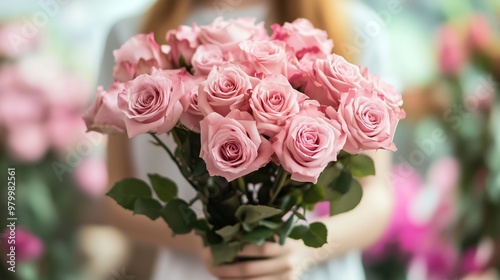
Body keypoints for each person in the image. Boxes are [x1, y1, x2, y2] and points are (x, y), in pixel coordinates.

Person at [101, 0, 396, 279]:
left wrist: (302, 249)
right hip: (195, 271)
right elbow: (117, 199)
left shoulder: (353, 25)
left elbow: (376, 201)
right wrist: (207, 243)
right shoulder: (130, 34)